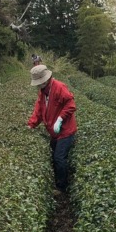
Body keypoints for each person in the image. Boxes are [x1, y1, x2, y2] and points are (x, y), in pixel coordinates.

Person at [27, 64, 77, 192]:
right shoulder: (43, 93)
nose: (39, 85)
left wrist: (60, 119)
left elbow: (71, 104)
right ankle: (56, 180)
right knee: (53, 155)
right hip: (53, 132)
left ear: (47, 79)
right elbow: (38, 110)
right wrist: (31, 124)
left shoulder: (59, 87)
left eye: (41, 82)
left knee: (59, 158)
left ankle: (62, 187)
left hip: (65, 131)